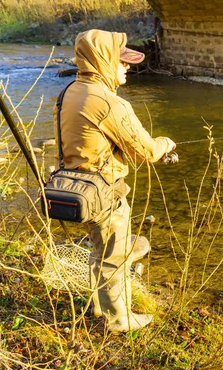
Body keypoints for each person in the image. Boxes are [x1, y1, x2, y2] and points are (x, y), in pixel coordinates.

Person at [55, 29, 176, 332]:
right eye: (122, 61)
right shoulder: (109, 103)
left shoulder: (71, 89)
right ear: (104, 60)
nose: (128, 67)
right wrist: (166, 143)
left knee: (100, 252)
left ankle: (101, 307)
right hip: (104, 192)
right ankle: (119, 321)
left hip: (76, 187)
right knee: (114, 257)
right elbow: (146, 151)